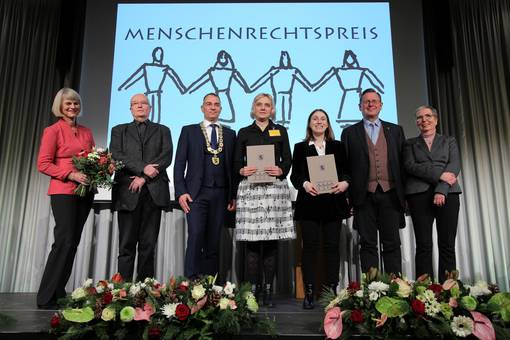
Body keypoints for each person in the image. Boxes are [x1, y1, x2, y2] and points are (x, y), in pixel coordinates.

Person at [234, 93, 296, 307]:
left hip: (273, 190)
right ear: (253, 108)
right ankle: (253, 289)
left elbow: (288, 159)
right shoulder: (243, 132)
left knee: (270, 243)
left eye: (267, 105)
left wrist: (281, 169)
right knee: (252, 244)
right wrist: (242, 169)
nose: (263, 108)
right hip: (250, 191)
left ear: (272, 109)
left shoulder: (280, 130)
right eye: (259, 104)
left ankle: (268, 289)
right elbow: (234, 163)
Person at [36, 88, 95, 309]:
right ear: (60, 106)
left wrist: (97, 170)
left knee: (72, 244)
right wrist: (70, 174)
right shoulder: (52, 130)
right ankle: (46, 297)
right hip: (63, 192)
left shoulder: (87, 131)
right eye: (68, 104)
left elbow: (92, 159)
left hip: (84, 193)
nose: (72, 107)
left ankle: (59, 293)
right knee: (64, 242)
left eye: (76, 104)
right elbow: (43, 163)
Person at [341, 88, 406, 275]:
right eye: (366, 101)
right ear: (360, 106)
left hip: (391, 194)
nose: (370, 104)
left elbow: (402, 164)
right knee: (368, 243)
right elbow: (344, 168)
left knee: (392, 242)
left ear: (381, 105)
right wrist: (348, 197)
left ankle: (395, 286)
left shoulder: (395, 130)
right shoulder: (349, 133)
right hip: (363, 196)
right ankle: (372, 288)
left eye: (374, 101)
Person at [290, 109, 350, 309]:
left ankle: (331, 290)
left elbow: (348, 172)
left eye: (323, 118)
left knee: (332, 247)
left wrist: (345, 184)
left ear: (327, 123)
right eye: (315, 119)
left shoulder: (338, 146)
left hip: (333, 204)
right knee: (310, 248)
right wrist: (305, 184)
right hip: (309, 205)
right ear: (309, 124)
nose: (319, 122)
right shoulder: (300, 147)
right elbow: (295, 176)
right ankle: (309, 292)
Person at [110, 93, 172, 282]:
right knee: (126, 245)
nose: (140, 106)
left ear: (150, 108)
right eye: (135, 104)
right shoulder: (118, 130)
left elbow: (166, 156)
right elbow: (117, 154)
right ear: (130, 108)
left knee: (148, 245)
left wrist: (143, 177)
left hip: (153, 192)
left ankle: (144, 292)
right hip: (127, 192)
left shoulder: (163, 130)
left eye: (143, 103)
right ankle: (123, 291)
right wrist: (142, 168)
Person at [174, 93, 236, 279]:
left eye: (216, 104)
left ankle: (211, 285)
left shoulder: (230, 134)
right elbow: (179, 165)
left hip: (221, 194)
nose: (212, 107)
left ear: (220, 109)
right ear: (202, 108)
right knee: (195, 237)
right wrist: (181, 192)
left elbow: (233, 168)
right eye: (208, 104)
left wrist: (233, 195)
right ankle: (191, 282)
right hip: (196, 194)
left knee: (213, 241)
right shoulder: (189, 131)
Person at [403, 105, 461, 283]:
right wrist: (439, 174)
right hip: (419, 196)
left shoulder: (449, 141)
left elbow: (454, 167)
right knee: (423, 246)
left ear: (436, 120)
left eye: (428, 116)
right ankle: (425, 291)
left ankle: (448, 289)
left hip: (448, 194)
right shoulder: (409, 143)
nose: (424, 120)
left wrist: (441, 189)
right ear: (416, 122)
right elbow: (411, 166)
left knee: (447, 245)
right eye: (419, 117)